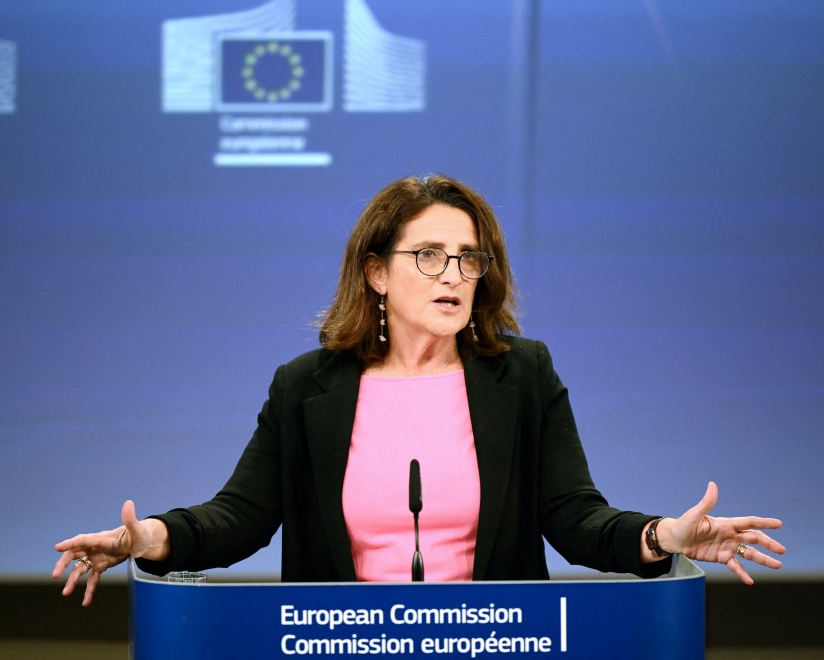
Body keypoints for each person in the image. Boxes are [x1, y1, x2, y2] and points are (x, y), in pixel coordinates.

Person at [53, 174, 785, 606]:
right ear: (376, 272)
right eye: (428, 256)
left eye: (469, 258)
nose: (453, 275)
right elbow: (240, 517)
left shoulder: (522, 375)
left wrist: (664, 537)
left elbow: (573, 517)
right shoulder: (307, 388)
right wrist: (148, 538)